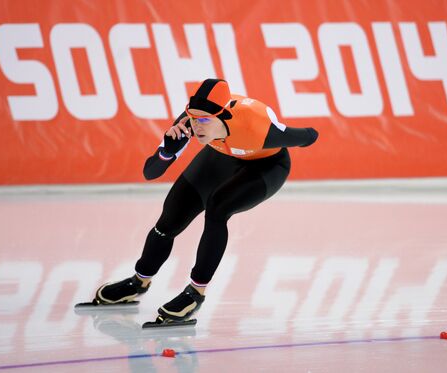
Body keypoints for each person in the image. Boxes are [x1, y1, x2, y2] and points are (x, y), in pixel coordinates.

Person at [92, 78, 319, 322]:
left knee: (218, 208)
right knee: (169, 219)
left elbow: (309, 136)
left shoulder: (259, 127)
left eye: (203, 120)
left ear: (223, 116)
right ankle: (139, 282)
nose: (196, 126)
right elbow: (150, 172)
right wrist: (167, 152)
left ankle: (195, 293)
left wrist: (296, 133)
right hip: (220, 155)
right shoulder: (187, 123)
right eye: (193, 117)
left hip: (266, 165)